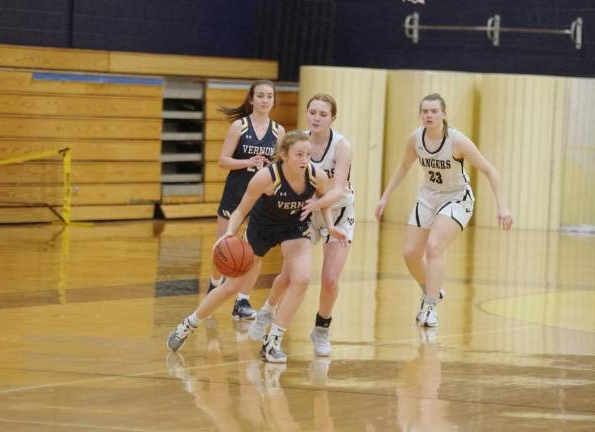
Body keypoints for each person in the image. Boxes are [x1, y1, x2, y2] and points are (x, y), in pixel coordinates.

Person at [167, 131, 346, 363]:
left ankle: (272, 342)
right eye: (299, 155)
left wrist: (330, 227)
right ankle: (189, 324)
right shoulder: (266, 177)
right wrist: (229, 234)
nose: (305, 160)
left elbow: (323, 202)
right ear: (284, 155)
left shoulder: (316, 176)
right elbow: (241, 210)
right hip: (261, 229)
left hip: (294, 227)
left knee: (301, 280)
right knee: (232, 287)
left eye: (308, 155)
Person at [375, 93, 513, 327]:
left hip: (457, 197)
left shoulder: (457, 141)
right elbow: (403, 167)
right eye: (425, 111)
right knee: (410, 254)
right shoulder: (415, 139)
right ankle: (432, 290)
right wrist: (384, 197)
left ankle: (430, 307)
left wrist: (503, 207)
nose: (429, 115)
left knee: (434, 246)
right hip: (428, 196)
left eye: (434, 111)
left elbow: (490, 171)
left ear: (444, 114)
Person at [248, 94, 354, 358]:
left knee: (330, 279)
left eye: (323, 114)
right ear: (306, 114)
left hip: (337, 212)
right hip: (303, 212)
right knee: (288, 277)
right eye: (313, 112)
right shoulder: (298, 143)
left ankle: (321, 330)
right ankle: (268, 311)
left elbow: (337, 190)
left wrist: (317, 206)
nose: (317, 118)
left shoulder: (342, 147)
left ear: (333, 118)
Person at [210, 80, 285, 321]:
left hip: (261, 198)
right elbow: (223, 161)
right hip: (235, 192)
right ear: (251, 100)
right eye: (260, 95)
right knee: (222, 246)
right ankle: (214, 284)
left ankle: (242, 300)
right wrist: (248, 163)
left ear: (273, 101)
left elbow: (279, 167)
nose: (265, 100)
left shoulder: (279, 132)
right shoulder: (239, 127)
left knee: (254, 251)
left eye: (269, 96)